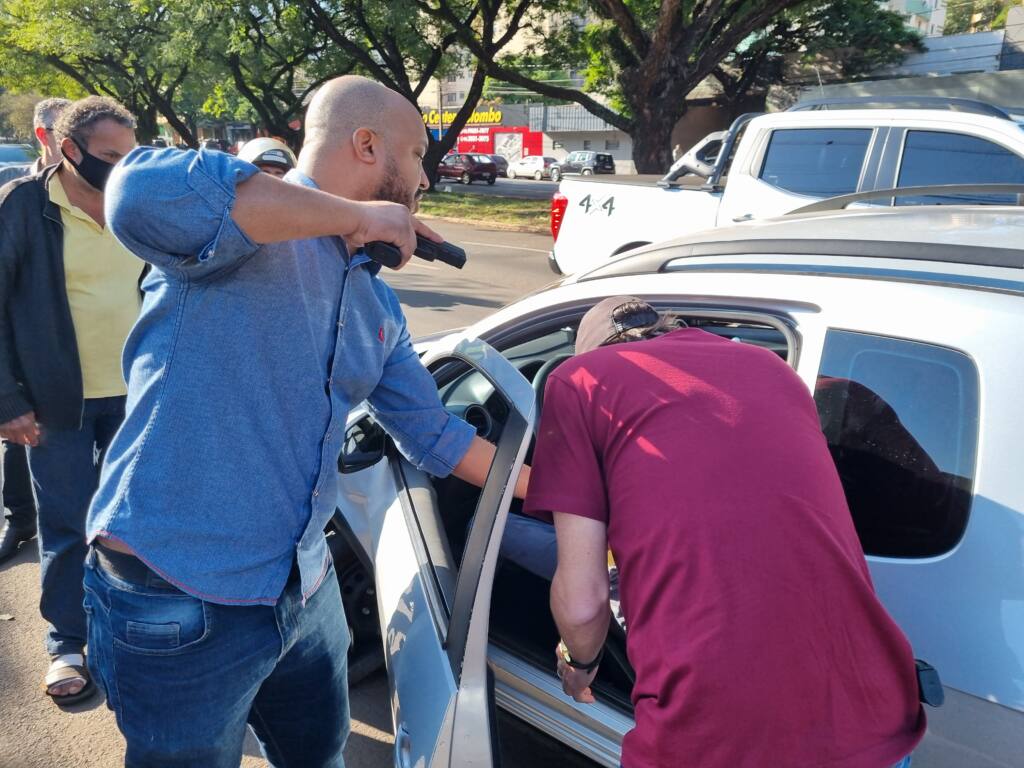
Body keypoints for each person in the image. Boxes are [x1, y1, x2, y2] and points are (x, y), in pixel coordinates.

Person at [83, 75, 528, 767]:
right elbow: (133, 195)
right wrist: (355, 217)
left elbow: (438, 438)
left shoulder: (377, 307)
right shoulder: (233, 226)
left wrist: (562, 487)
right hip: (177, 592)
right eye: (415, 158)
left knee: (318, 756)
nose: (423, 180)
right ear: (367, 144)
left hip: (303, 586)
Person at [523, 296, 924, 768]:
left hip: (716, 739)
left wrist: (579, 666)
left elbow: (583, 601)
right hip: (875, 716)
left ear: (589, 350)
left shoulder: (581, 380)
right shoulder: (771, 367)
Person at [0, 96, 140, 706]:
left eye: (128, 156)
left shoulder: (134, 200)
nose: (121, 167)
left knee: (132, 524)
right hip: (57, 402)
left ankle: (130, 636)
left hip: (139, 395)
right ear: (68, 149)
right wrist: (5, 398)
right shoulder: (24, 206)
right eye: (109, 156)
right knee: (65, 524)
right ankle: (67, 645)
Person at [0, 98, 72, 565]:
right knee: (21, 437)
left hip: (86, 354)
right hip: (29, 345)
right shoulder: (15, 194)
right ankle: (20, 520)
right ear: (45, 137)